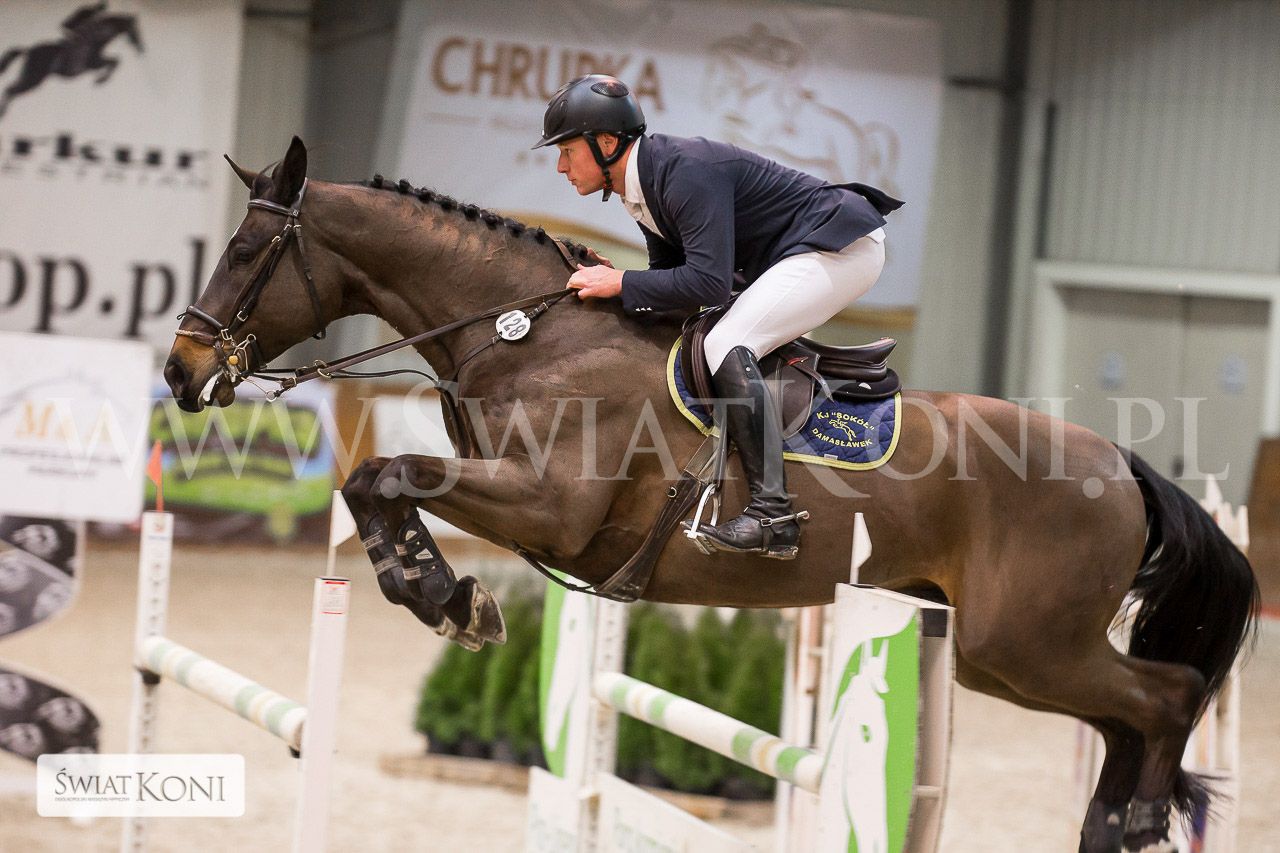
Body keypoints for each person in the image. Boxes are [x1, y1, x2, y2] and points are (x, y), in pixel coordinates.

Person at [534, 74, 901, 560]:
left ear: (605, 143)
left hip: (840, 247)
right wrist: (616, 286)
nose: (560, 166)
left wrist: (622, 282)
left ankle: (773, 514)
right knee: (711, 335)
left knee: (726, 343)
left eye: (566, 150)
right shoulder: (640, 188)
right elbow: (672, 285)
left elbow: (706, 284)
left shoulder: (682, 171)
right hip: (802, 251)